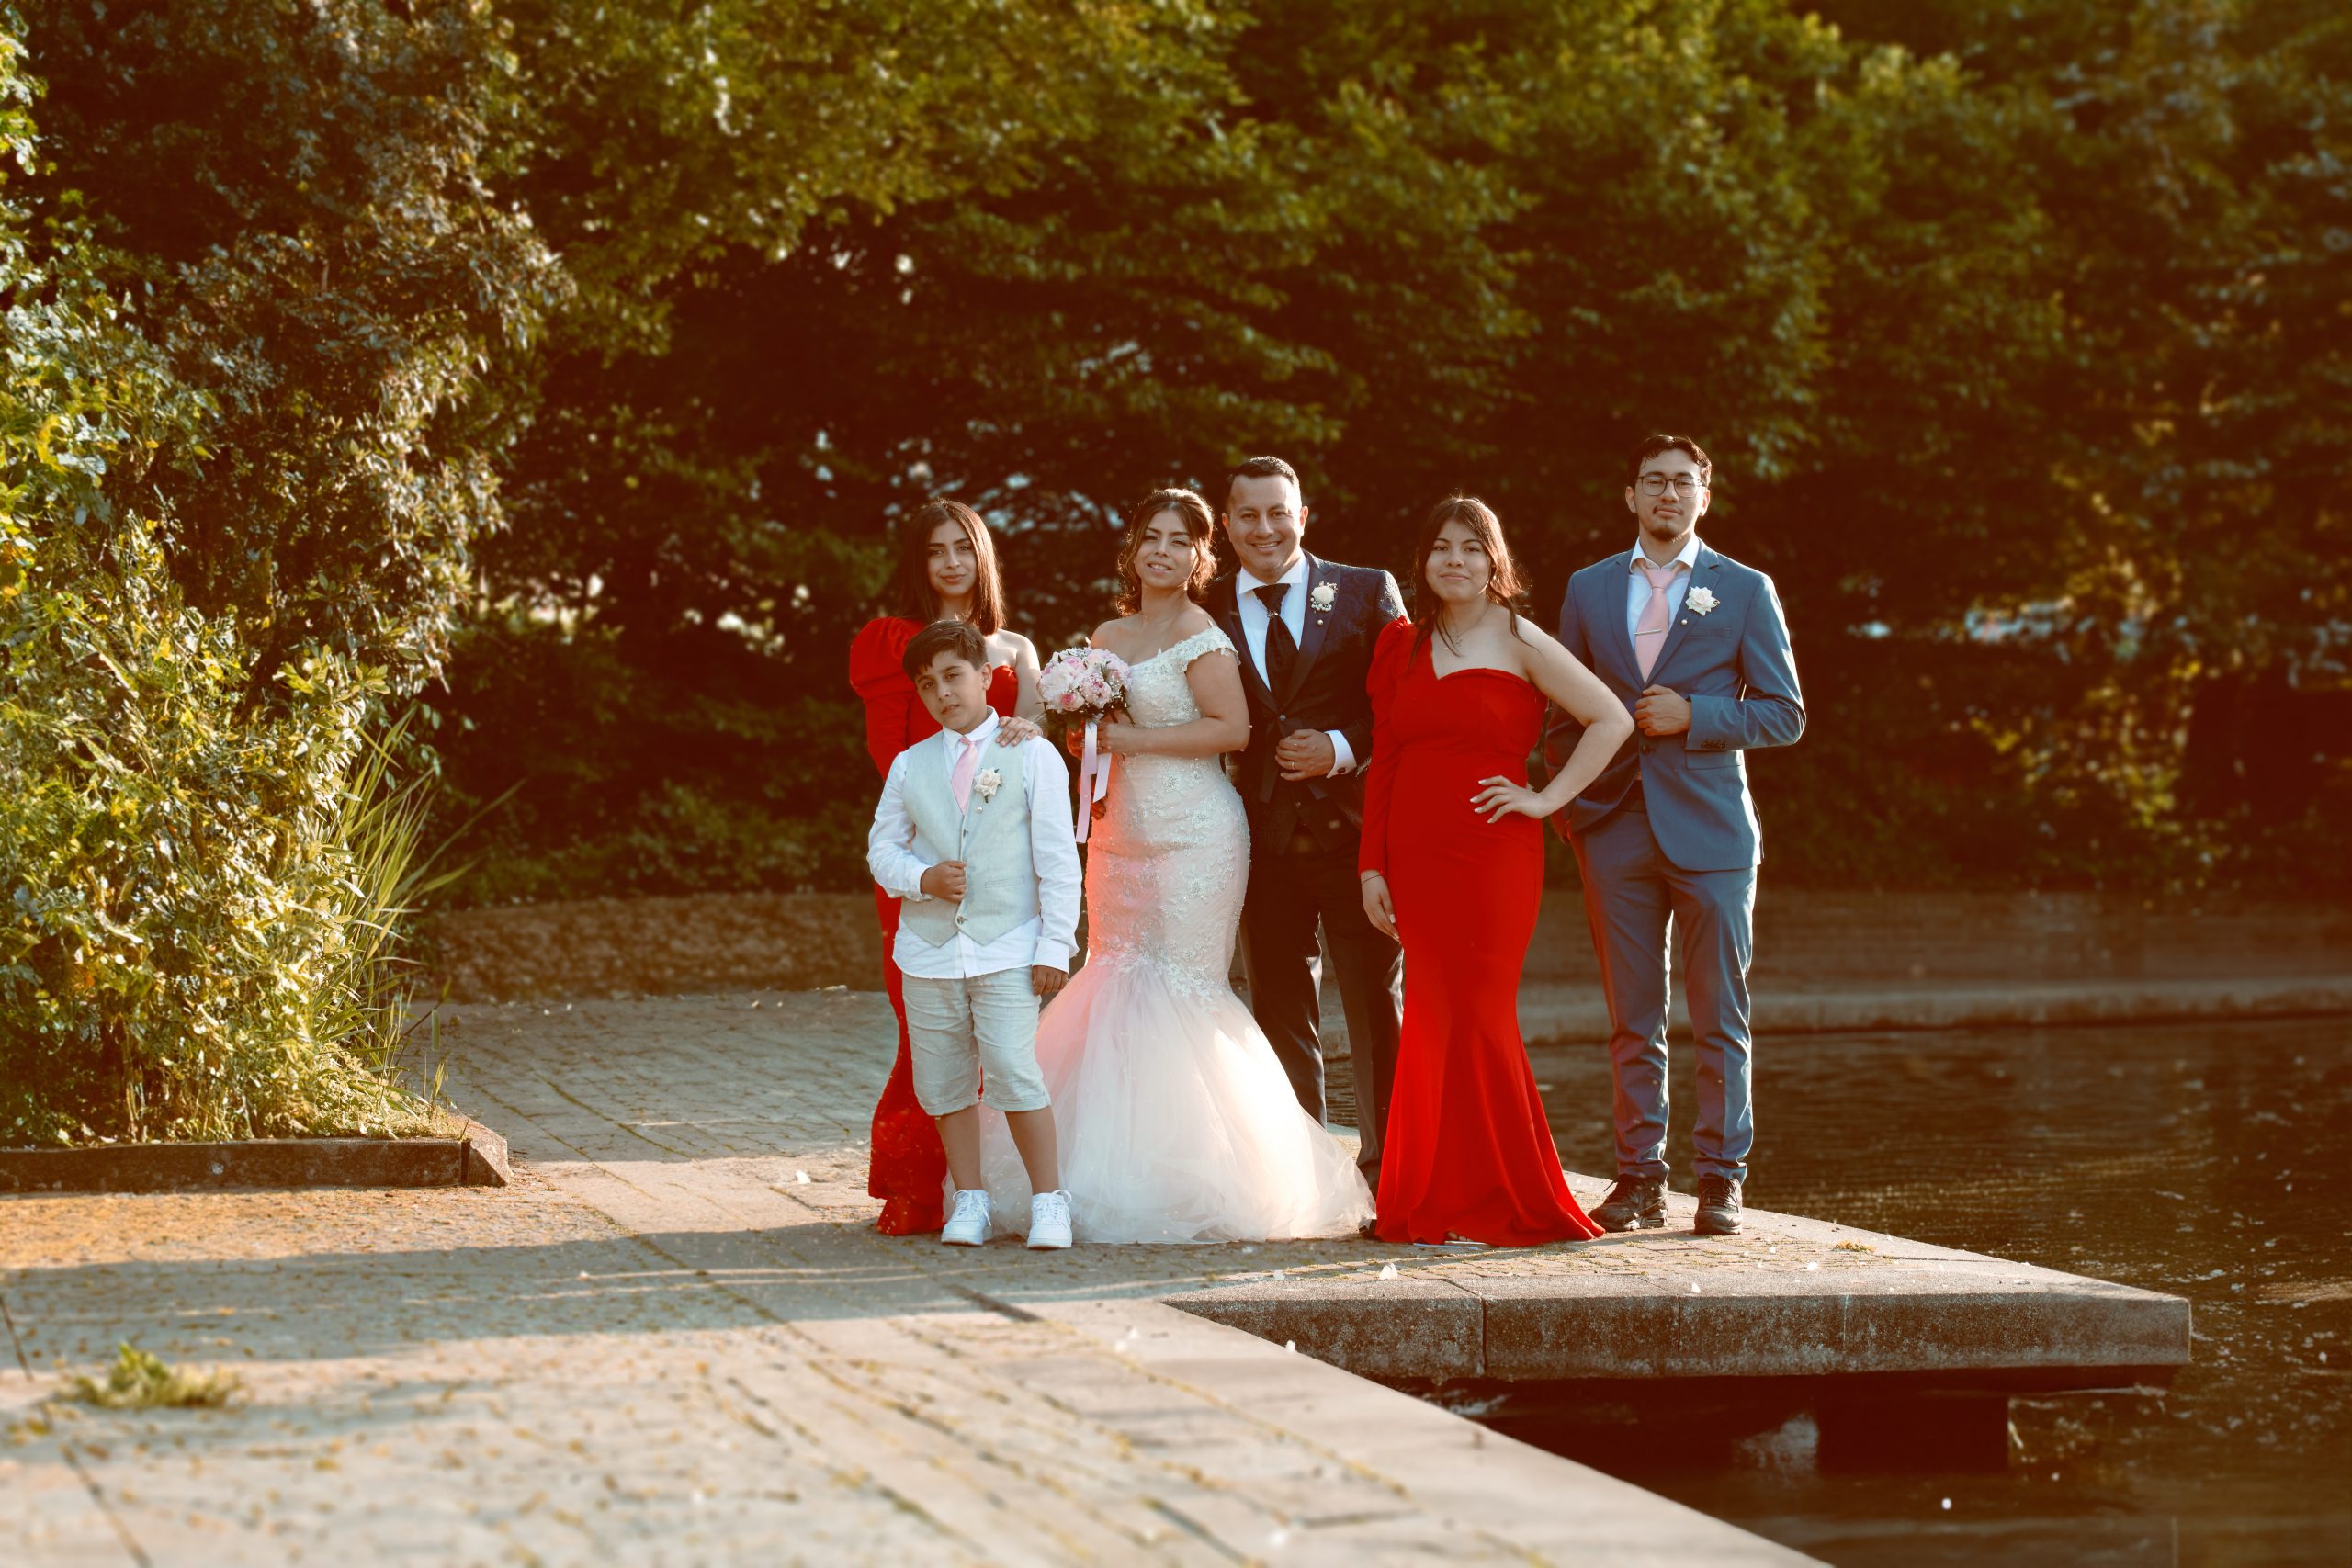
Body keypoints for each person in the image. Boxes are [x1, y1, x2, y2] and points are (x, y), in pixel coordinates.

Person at [977, 489, 1372, 1242]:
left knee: (1184, 991)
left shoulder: (1202, 633)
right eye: (1150, 537)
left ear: (1199, 556)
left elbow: (1234, 729)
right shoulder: (1106, 635)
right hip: (1118, 831)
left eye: (1179, 540)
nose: (1162, 550)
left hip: (1196, 833)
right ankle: (1090, 1169)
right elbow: (1097, 732)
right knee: (1114, 979)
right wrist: (1082, 738)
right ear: (1132, 550)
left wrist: (1133, 742)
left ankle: (1203, 1176)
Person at [1544, 434, 1805, 1237]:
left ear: (1704, 495)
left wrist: (1698, 715)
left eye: (1682, 482)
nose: (1668, 494)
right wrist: (1573, 816)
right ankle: (1640, 1179)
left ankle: (1722, 1178)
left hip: (1714, 833)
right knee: (1633, 1016)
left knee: (1720, 1015)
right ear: (1630, 495)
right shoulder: (1588, 588)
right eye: (1653, 480)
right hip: (1613, 829)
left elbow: (1785, 713)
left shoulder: (1746, 589)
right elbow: (1561, 714)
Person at [1359, 497, 1634, 1246]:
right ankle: (1424, 1198)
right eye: (1441, 547)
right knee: (1429, 1012)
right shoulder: (1400, 644)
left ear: (1494, 560)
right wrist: (1370, 866)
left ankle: (1509, 1193)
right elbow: (1385, 758)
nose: (1455, 560)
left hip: (1493, 853)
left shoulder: (1521, 638)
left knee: (1480, 1013)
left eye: (1472, 548)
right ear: (1423, 561)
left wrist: (1545, 798)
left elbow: (1612, 717)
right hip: (1416, 853)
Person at [1206, 457, 1407, 1189]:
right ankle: (1302, 1177)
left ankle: (1390, 1173)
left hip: (1357, 838)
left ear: (1303, 516)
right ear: (1226, 524)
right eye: (1249, 515)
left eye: (1278, 512)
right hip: (1257, 839)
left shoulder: (1365, 590)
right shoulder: (1203, 604)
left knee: (1376, 1006)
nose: (1265, 528)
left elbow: (1408, 706)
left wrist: (1342, 747)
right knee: (1278, 1011)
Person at [847, 499, 1043, 1234]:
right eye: (936, 551)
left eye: (963, 547)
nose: (952, 562)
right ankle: (915, 1184)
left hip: (1004, 866)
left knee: (1000, 1026)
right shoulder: (891, 642)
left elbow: (1032, 748)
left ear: (983, 555)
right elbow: (889, 756)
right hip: (921, 861)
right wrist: (931, 853)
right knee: (925, 1023)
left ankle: (986, 1186)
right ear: (918, 563)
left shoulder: (1017, 650)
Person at [865, 618, 1081, 1248]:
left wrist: (1055, 944)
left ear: (986, 676)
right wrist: (922, 878)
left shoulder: (1031, 754)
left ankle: (1050, 1200)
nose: (942, 693)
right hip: (929, 952)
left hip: (1008, 946)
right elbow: (882, 849)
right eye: (927, 684)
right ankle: (971, 1198)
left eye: (953, 676)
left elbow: (1058, 860)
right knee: (943, 1082)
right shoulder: (909, 765)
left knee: (1013, 1069)